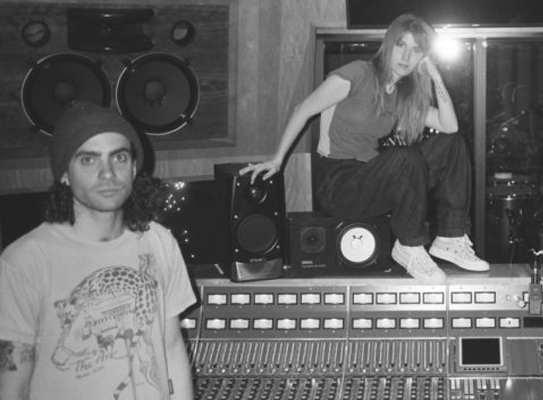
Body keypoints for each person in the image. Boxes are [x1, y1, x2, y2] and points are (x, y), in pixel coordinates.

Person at [241, 14, 488, 283]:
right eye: (401, 45)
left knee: (452, 143)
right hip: (339, 184)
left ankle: (450, 238)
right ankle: (409, 245)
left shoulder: (403, 95)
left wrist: (436, 77)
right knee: (406, 158)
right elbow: (304, 109)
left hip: (371, 177)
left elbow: (449, 126)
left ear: (423, 58)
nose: (406, 56)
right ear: (388, 44)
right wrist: (277, 160)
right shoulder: (359, 73)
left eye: (416, 50)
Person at [0, 102, 197, 400]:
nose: (108, 173)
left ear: (133, 167)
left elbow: (171, 351)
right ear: (64, 174)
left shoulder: (159, 242)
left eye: (119, 157)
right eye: (88, 160)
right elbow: (13, 389)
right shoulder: (23, 262)